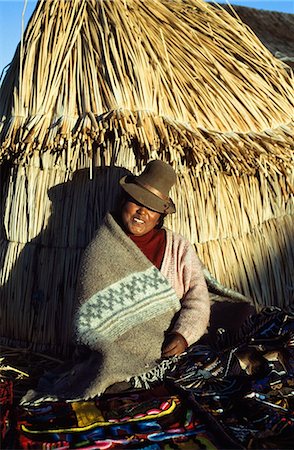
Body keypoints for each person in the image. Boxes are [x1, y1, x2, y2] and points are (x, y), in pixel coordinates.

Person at [21, 160, 210, 403]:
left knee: (238, 318)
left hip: (172, 345)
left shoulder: (178, 247)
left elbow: (198, 295)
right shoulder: (102, 249)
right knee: (107, 368)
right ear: (123, 201)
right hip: (120, 350)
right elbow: (89, 321)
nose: (142, 211)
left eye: (151, 207)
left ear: (161, 215)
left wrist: (183, 334)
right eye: (136, 201)